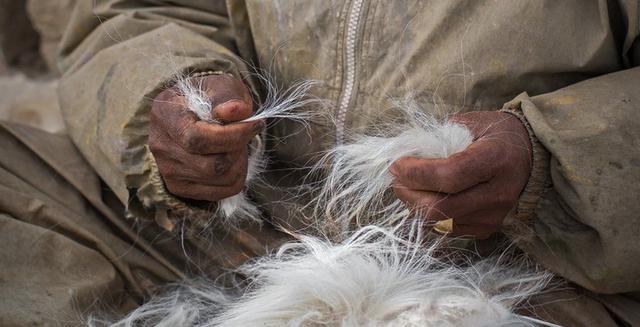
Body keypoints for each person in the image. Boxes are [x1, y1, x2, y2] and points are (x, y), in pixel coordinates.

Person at [1, 1, 639, 326]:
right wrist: (168, 96)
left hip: (524, 271)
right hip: (222, 233)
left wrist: (556, 159)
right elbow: (136, 12)